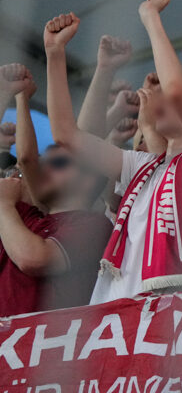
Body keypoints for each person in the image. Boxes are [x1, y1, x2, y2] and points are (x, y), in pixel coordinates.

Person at [44, 0, 182, 302]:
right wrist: (54, 54)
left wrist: (150, 16)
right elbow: (66, 135)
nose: (158, 102)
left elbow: (176, 92)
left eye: (167, 97)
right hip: (113, 317)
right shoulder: (141, 166)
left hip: (168, 314)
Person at [0, 64, 111, 315]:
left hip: (52, 340)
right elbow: (26, 160)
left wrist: (4, 205)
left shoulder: (94, 225)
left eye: (58, 163)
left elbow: (33, 259)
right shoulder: (25, 219)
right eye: (45, 161)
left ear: (89, 179)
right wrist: (8, 94)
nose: (45, 167)